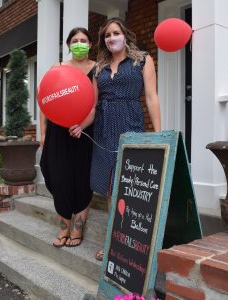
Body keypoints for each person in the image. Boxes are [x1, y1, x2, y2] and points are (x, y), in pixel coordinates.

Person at [70, 18, 161, 260]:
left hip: (130, 126)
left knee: (129, 185)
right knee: (111, 189)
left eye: (116, 33)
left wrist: (159, 133)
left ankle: (130, 241)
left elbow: (151, 97)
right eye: (107, 35)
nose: (112, 38)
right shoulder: (99, 68)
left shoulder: (142, 60)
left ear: (125, 35)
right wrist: (81, 126)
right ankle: (113, 241)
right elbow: (92, 107)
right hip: (103, 131)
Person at [40, 27, 96, 248]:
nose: (79, 44)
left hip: (84, 132)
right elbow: (46, 100)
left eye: (83, 40)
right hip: (58, 132)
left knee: (82, 178)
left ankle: (77, 229)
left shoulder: (95, 69)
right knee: (59, 177)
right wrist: (43, 133)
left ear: (91, 44)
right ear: (68, 44)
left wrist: (81, 126)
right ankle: (63, 227)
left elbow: (94, 105)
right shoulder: (58, 68)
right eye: (75, 40)